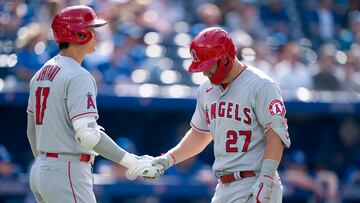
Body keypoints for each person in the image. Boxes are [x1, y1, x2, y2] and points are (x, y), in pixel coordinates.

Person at [26, 5, 162, 203]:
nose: (96, 35)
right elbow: (88, 136)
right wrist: (131, 162)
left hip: (40, 169)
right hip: (67, 171)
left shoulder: (40, 74)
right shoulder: (79, 75)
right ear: (78, 35)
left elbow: (32, 132)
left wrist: (46, 163)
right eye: (91, 30)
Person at [152, 27, 291, 202]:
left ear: (225, 57)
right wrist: (166, 160)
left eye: (208, 65)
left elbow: (276, 135)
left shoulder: (262, 85)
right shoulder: (206, 89)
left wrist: (267, 179)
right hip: (223, 186)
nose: (204, 72)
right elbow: (199, 136)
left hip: (254, 181)